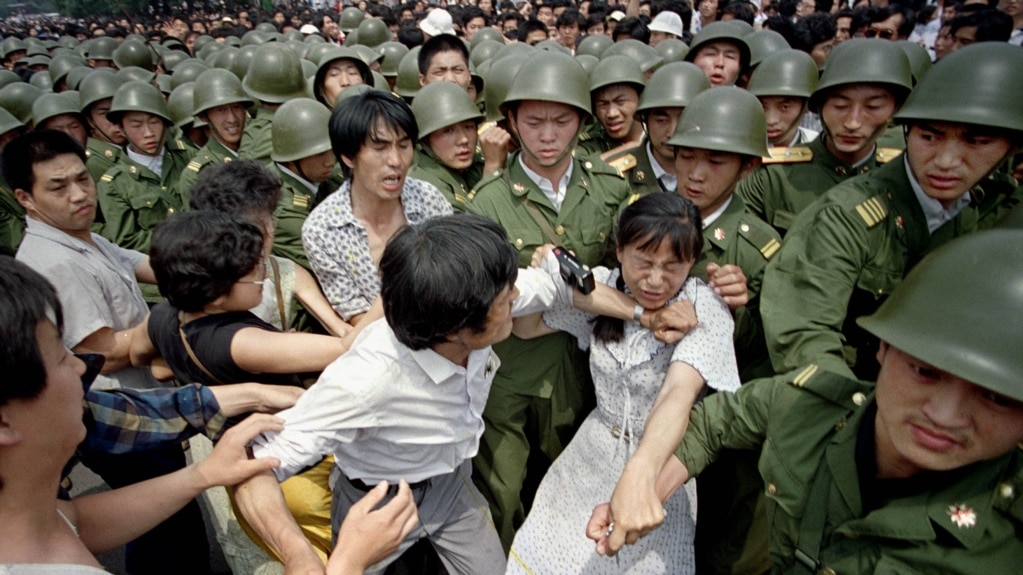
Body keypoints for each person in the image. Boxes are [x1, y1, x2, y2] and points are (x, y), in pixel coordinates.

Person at [587, 228, 1023, 574]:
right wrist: (645, 491)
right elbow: (713, 423)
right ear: (883, 350)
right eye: (926, 372)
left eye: (997, 398)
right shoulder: (808, 403)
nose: (945, 415)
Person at [0, 256, 416, 575]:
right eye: (59, 357)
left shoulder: (26, 516)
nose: (81, 367)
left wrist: (202, 475)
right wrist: (347, 561)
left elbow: (74, 522)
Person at [760, 42, 1023, 381]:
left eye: (976, 142)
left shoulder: (1002, 209)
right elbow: (804, 334)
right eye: (930, 137)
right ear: (908, 131)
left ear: (1012, 147)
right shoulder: (846, 214)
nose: (945, 161)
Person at [507, 193, 740, 574]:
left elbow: (677, 395)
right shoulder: (601, 288)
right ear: (619, 250)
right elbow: (526, 326)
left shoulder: (703, 311)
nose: (654, 279)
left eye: (672, 266)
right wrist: (549, 273)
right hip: (587, 460)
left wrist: (641, 474)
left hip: (660, 467)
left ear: (692, 262)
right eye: (643, 262)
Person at [300, 90, 452, 336]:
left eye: (403, 145)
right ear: (348, 156)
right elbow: (355, 316)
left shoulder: (429, 199)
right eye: (380, 148)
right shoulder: (322, 230)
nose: (396, 160)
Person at [737, 39, 912, 237]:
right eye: (840, 106)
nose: (852, 123)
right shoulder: (772, 176)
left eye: (873, 107)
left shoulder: (906, 179)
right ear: (819, 105)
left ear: (895, 110)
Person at [96, 80, 195, 254]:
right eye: (136, 125)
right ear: (122, 129)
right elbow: (128, 241)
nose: (148, 133)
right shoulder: (114, 184)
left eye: (154, 122)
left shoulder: (188, 156)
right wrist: (183, 238)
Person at [603, 62, 709, 198]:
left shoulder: (720, 173)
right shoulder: (611, 174)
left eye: (684, 120)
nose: (671, 133)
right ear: (645, 120)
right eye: (661, 121)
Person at [408, 81, 486, 213]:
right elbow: (469, 230)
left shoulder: (472, 164)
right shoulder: (424, 186)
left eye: (469, 127)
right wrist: (491, 170)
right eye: (448, 131)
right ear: (425, 139)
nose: (464, 139)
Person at [174, 69, 253, 199]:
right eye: (220, 110)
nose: (232, 119)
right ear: (203, 117)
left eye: (236, 107)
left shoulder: (261, 147)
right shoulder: (197, 175)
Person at [577, 55, 646, 157]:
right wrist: (629, 149)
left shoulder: (660, 138)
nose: (611, 113)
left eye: (620, 102)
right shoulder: (591, 147)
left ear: (640, 99)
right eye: (603, 104)